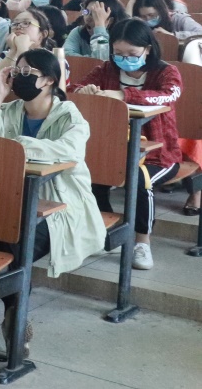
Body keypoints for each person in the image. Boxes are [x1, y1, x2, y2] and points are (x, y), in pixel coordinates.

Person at [0, 49, 105, 281]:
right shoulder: (9, 110)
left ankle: (8, 296)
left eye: (27, 72)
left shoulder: (69, 116)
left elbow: (69, 150)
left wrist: (17, 146)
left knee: (16, 242)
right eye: (16, 71)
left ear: (49, 79)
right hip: (12, 198)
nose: (19, 77)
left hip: (61, 204)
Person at [74, 19, 182, 270]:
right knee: (91, 173)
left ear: (148, 49)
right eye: (118, 53)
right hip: (114, 149)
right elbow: (74, 86)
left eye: (132, 54)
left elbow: (168, 95)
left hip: (159, 155)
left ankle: (142, 242)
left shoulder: (166, 72)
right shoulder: (106, 69)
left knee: (139, 178)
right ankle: (106, 230)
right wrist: (84, 91)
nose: (125, 59)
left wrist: (123, 95)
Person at [63, 0, 128, 60]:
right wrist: (91, 58)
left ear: (110, 21)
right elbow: (66, 55)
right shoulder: (78, 32)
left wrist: (100, 27)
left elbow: (101, 59)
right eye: (86, 12)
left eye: (94, 14)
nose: (87, 18)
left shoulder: (121, 37)